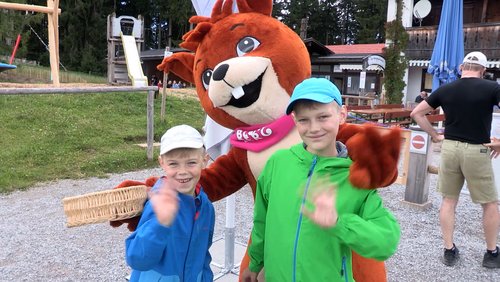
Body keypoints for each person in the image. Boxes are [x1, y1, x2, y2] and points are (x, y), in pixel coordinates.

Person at [241, 78, 400, 281]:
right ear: (293, 120)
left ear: (342, 115)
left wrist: (338, 223)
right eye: (304, 120)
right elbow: (261, 220)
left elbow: (386, 242)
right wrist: (255, 263)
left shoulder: (357, 178)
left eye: (323, 116)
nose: (314, 128)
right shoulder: (278, 163)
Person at [411, 51, 500, 268]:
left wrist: (434, 135)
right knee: (489, 203)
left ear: (462, 68)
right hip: (477, 150)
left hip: (449, 148)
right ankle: (491, 253)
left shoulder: (446, 89)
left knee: (449, 201)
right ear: (483, 70)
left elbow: (416, 113)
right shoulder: (492, 88)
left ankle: (449, 250)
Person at [125, 124, 214, 281]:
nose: (182, 171)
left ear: (204, 160)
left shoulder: (206, 206)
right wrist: (160, 224)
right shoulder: (159, 204)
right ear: (162, 163)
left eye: (191, 162)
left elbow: (203, 254)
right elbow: (137, 259)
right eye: (173, 163)